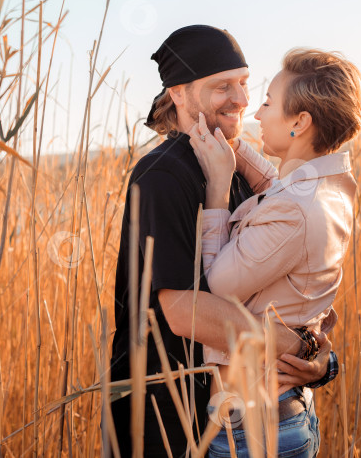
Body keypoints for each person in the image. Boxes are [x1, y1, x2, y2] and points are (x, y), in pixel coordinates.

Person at [109, 26, 339, 458]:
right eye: (222, 86)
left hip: (243, 419)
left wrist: (322, 359)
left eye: (244, 83)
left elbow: (290, 290)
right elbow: (183, 312)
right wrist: (300, 347)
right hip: (168, 420)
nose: (241, 98)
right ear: (178, 94)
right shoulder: (163, 175)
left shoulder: (234, 168)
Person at [188, 48, 361, 457]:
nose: (256, 113)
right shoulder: (327, 186)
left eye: (268, 103)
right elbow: (277, 186)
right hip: (284, 415)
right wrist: (232, 145)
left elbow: (215, 286)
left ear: (300, 122)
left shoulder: (296, 210)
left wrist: (218, 188)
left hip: (255, 433)